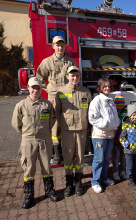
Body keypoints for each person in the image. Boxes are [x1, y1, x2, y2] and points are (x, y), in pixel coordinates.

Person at [12, 77, 58, 209]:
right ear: (28, 88)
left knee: (46, 167)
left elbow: (52, 120)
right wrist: (26, 134)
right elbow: (16, 124)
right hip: (28, 141)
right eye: (33, 87)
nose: (35, 90)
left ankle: (49, 191)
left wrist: (45, 133)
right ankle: (29, 195)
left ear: (40, 89)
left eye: (38, 88)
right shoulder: (21, 105)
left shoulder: (47, 104)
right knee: (29, 168)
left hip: (45, 140)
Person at [36, 35, 78, 165]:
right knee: (54, 124)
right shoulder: (46, 62)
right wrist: (49, 90)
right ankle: (56, 151)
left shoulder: (71, 62)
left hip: (68, 97)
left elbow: (75, 77)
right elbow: (39, 78)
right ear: (53, 46)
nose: (60, 47)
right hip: (54, 97)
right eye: (57, 45)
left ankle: (69, 150)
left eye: (62, 45)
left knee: (69, 121)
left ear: (65, 46)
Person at [54, 66, 92, 197]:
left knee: (80, 157)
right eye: (72, 76)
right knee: (68, 157)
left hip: (82, 130)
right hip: (67, 131)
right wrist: (63, 125)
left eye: (77, 76)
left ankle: (78, 183)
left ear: (80, 77)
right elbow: (57, 113)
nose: (75, 78)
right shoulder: (61, 92)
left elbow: (89, 113)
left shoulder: (86, 92)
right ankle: (69, 184)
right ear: (67, 76)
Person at [88, 78, 120, 193]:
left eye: (109, 86)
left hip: (110, 135)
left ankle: (104, 178)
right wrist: (107, 125)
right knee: (98, 159)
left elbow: (114, 117)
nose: (107, 88)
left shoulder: (110, 101)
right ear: (100, 88)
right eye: (105, 86)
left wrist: (116, 124)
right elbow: (92, 118)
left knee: (106, 159)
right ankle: (95, 181)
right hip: (99, 135)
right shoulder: (96, 101)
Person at [112, 92, 128, 181]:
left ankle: (123, 171)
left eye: (121, 105)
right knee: (116, 156)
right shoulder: (113, 112)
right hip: (116, 139)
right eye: (118, 105)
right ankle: (115, 172)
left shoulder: (126, 112)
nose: (120, 107)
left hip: (124, 138)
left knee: (124, 156)